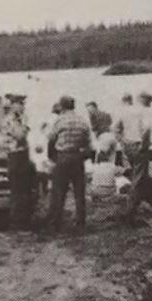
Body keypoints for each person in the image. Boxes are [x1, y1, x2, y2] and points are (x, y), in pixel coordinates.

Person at [45, 95, 92, 234]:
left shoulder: (60, 120)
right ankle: (81, 223)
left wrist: (52, 156)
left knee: (58, 192)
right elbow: (88, 142)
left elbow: (51, 139)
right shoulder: (82, 121)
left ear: (62, 106)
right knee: (79, 193)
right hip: (77, 157)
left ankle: (54, 224)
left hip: (63, 157)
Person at [119, 91, 152, 225]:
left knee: (140, 175)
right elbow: (147, 129)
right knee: (137, 179)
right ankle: (129, 215)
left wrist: (122, 141)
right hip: (139, 147)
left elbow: (115, 128)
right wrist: (144, 145)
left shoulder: (127, 111)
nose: (150, 105)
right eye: (149, 102)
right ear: (145, 101)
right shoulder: (145, 111)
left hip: (128, 146)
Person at [3, 93, 34, 231]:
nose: (23, 107)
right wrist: (21, 122)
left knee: (25, 189)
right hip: (14, 155)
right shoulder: (10, 120)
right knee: (16, 190)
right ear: (13, 105)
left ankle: (24, 220)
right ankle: (16, 222)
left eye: (22, 104)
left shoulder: (21, 119)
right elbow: (20, 135)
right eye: (20, 104)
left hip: (22, 155)